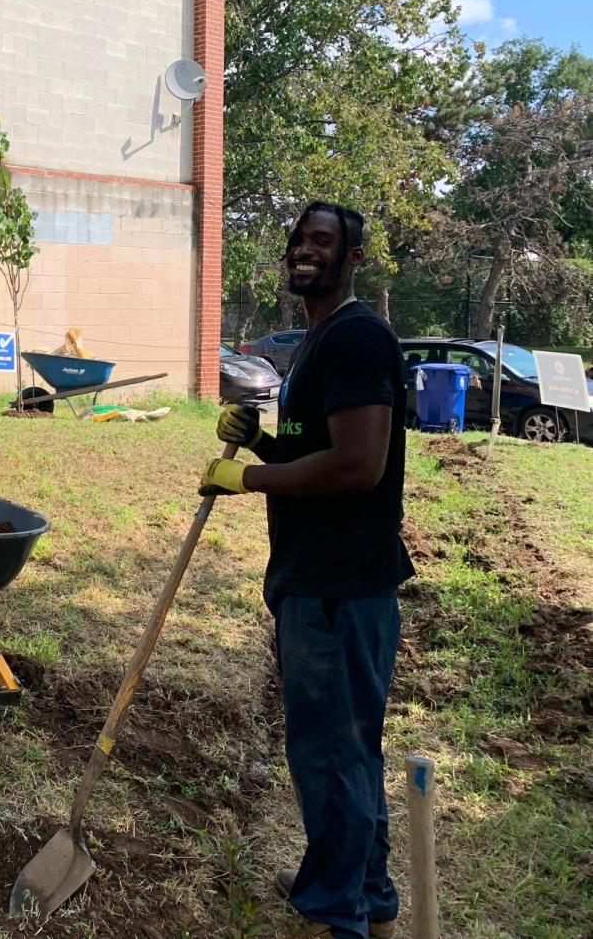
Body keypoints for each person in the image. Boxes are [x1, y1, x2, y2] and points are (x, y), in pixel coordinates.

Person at [199, 202, 413, 939]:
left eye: (323, 240)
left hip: (337, 588)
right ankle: (366, 888)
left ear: (353, 255)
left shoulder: (354, 338)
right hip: (328, 580)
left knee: (329, 751)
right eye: (298, 239)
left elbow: (359, 462)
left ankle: (334, 912)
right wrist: (260, 440)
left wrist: (246, 482)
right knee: (349, 747)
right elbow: (310, 446)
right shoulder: (321, 341)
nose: (305, 250)